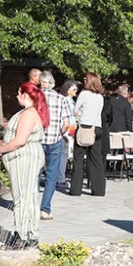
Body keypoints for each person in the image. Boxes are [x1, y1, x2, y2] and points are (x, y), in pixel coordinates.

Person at [0, 82, 47, 249]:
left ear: (26, 95)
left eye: (19, 93)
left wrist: (1, 149)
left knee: (22, 198)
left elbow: (19, 140)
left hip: (23, 158)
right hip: (28, 157)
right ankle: (31, 234)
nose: (17, 96)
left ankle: (21, 236)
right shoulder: (32, 113)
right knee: (29, 196)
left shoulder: (28, 114)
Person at [38, 71, 72, 220]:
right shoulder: (61, 99)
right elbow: (66, 124)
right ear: (52, 82)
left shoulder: (35, 97)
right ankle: (45, 209)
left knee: (35, 175)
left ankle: (31, 207)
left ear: (41, 82)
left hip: (37, 141)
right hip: (54, 140)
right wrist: (59, 133)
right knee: (51, 176)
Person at [70, 72, 107, 197]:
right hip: (97, 128)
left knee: (78, 158)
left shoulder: (84, 94)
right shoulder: (100, 97)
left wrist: (80, 112)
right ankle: (99, 190)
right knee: (96, 159)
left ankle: (76, 189)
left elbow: (75, 111)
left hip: (85, 128)